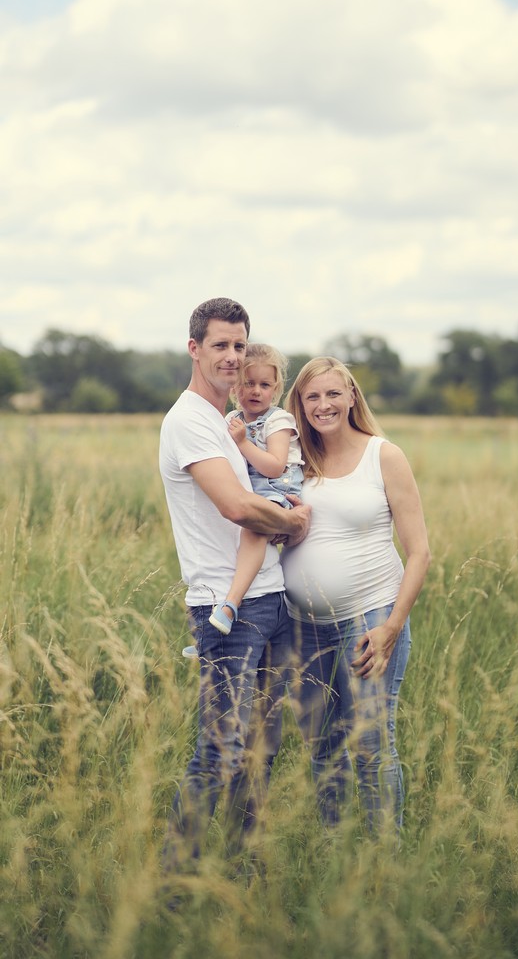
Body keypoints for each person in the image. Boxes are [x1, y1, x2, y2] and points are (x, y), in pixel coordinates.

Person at [158, 297, 311, 872]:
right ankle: (178, 884)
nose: (231, 356)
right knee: (220, 750)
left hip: (270, 599)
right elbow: (236, 505)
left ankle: (244, 872)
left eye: (239, 345)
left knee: (260, 751)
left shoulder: (233, 422)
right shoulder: (189, 421)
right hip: (228, 610)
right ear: (194, 348)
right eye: (219, 345)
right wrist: (294, 521)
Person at [282, 356, 431, 833]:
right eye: (312, 397)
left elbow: (420, 552)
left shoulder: (382, 455)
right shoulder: (293, 460)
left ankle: (384, 864)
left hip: (369, 618)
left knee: (370, 745)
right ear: (300, 405)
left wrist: (390, 628)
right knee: (322, 748)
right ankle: (333, 851)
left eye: (332, 394)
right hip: (304, 628)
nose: (323, 405)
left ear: (351, 397)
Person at [208, 343, 304, 635]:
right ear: (235, 385)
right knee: (223, 548)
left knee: (253, 529)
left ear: (275, 389)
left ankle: (230, 606)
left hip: (278, 490)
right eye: (248, 383)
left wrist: (243, 442)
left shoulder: (278, 420)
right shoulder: (231, 420)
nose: (256, 391)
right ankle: (210, 630)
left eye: (264, 385)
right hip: (250, 492)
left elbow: (275, 465)